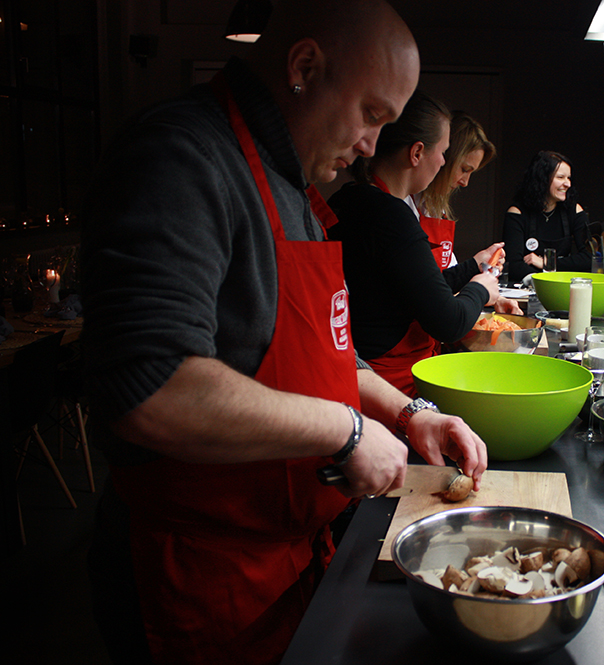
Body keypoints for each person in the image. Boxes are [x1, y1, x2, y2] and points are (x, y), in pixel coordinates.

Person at [80, 2, 487, 664]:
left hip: (288, 559)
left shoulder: (292, 180)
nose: (369, 145)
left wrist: (409, 413)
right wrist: (347, 432)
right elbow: (148, 383)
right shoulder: (183, 157)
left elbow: (329, 353)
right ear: (303, 66)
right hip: (199, 576)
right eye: (371, 115)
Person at [327, 91, 500, 397]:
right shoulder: (391, 216)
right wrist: (482, 288)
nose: (444, 163)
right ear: (417, 152)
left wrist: (472, 267)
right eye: (443, 153)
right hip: (389, 379)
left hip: (363, 373)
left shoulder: (350, 198)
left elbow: (412, 288)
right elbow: (449, 322)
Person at [413, 111, 521, 312]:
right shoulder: (405, 206)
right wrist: (475, 270)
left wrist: (491, 297)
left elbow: (450, 278)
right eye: (464, 169)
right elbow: (426, 291)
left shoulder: (439, 209)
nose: (465, 182)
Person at [503, 150, 592, 284]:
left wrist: (546, 263)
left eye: (569, 178)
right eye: (560, 177)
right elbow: (513, 265)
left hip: (563, 286)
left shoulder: (574, 210)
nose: (567, 183)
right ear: (543, 179)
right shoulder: (517, 213)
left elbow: (589, 258)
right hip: (528, 288)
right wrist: (542, 282)